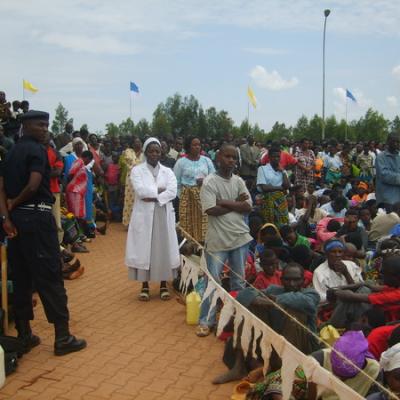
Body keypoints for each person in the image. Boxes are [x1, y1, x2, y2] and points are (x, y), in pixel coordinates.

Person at [0, 110, 86, 355]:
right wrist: (14, 204)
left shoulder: (10, 152)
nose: (45, 129)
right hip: (37, 217)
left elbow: (1, 188)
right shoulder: (38, 150)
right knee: (50, 276)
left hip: (16, 222)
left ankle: (25, 334)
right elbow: (34, 184)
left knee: (21, 277)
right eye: (40, 125)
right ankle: (63, 337)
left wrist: (7, 217)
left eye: (47, 125)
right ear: (26, 126)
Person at [196, 144, 252, 337]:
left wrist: (225, 202)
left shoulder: (238, 181)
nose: (231, 160)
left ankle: (237, 322)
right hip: (218, 240)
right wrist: (237, 203)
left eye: (234, 158)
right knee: (212, 282)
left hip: (240, 238)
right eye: (227, 156)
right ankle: (206, 321)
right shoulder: (210, 182)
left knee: (239, 283)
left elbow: (248, 207)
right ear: (218, 157)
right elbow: (211, 209)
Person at [125, 138, 180, 301]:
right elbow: (141, 192)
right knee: (145, 250)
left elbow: (172, 192)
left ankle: (163, 285)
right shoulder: (137, 171)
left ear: (161, 153)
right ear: (145, 152)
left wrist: (153, 195)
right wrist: (160, 191)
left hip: (163, 214)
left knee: (162, 249)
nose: (154, 154)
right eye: (151, 151)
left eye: (157, 151)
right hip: (144, 214)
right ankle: (145, 286)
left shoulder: (168, 171)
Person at [174, 136, 215, 243]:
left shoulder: (206, 161)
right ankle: (188, 247)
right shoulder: (181, 162)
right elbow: (176, 182)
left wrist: (205, 181)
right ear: (188, 147)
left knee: (204, 223)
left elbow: (214, 178)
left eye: (199, 145)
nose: (198, 147)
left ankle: (201, 247)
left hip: (204, 197)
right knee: (187, 224)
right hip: (186, 198)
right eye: (194, 145)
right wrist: (182, 196)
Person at [257, 146, 290, 227]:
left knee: (283, 225)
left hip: (281, 201)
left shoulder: (282, 170)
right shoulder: (262, 169)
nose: (276, 158)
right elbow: (264, 188)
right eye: (274, 156)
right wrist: (280, 188)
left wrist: (283, 172)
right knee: (270, 225)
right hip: (267, 201)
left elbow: (287, 186)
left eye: (278, 156)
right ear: (269, 157)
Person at [120, 137, 144, 226]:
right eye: (136, 142)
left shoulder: (144, 153)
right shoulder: (128, 152)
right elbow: (132, 164)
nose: (138, 144)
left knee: (141, 201)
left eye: (139, 142)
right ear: (132, 144)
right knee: (130, 201)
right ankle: (129, 223)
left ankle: (139, 223)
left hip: (142, 180)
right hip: (131, 181)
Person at [65, 151, 94, 219]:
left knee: (78, 213)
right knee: (76, 214)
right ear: (87, 158)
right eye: (89, 160)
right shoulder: (79, 162)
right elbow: (71, 173)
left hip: (78, 191)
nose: (89, 163)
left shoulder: (82, 164)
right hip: (74, 191)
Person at [376, 132, 400, 208]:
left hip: (398, 198)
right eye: (393, 141)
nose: (396, 144)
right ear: (388, 141)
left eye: (398, 142)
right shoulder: (381, 157)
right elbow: (385, 175)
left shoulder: (399, 156)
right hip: (386, 199)